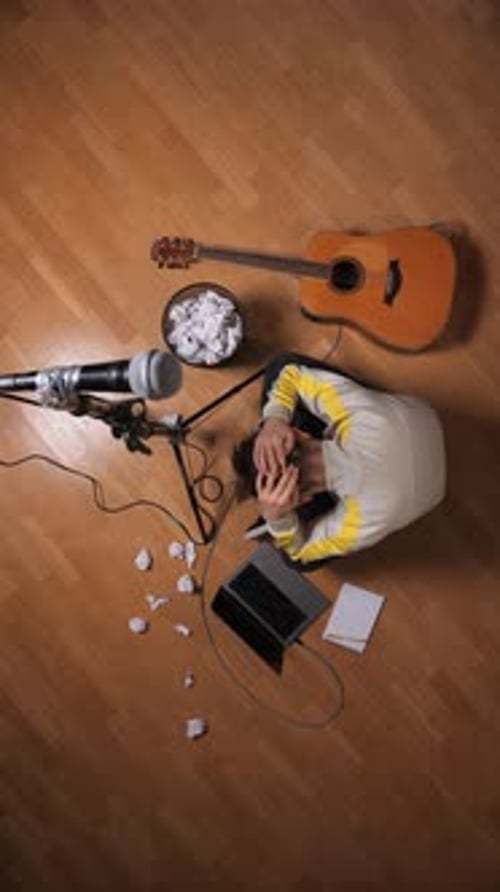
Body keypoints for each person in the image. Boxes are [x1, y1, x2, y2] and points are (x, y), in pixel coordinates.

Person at [232, 353, 446, 570]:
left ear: (305, 499)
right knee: (279, 368)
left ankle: (283, 517)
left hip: (435, 491)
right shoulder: (355, 416)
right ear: (299, 433)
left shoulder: (355, 524)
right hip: (424, 416)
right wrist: (274, 420)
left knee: (294, 559)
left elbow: (299, 554)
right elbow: (290, 374)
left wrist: (278, 519)